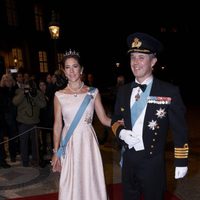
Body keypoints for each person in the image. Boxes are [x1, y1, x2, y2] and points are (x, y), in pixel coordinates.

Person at [111, 32, 189, 200]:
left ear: (153, 61)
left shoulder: (169, 91)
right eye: (133, 57)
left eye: (141, 57)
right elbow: (115, 120)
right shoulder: (123, 91)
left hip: (152, 164)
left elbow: (180, 131)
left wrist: (181, 161)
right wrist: (121, 133)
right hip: (129, 162)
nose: (135, 63)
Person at [51, 49, 111, 200]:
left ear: (81, 69)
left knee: (90, 177)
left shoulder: (93, 92)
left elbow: (104, 119)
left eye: (75, 66)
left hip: (87, 141)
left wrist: (123, 123)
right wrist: (55, 151)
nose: (71, 71)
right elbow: (57, 125)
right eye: (67, 67)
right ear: (64, 71)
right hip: (69, 142)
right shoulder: (59, 95)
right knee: (70, 179)